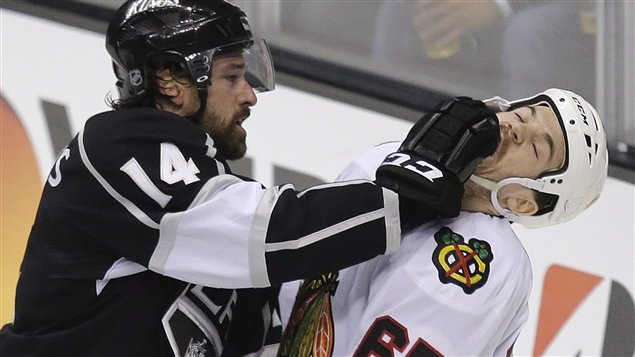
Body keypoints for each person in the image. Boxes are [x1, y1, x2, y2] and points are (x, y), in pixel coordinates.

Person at [0, 1, 501, 356]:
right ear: (172, 82)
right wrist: (405, 196)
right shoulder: (114, 148)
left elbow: (253, 322)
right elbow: (269, 236)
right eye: (232, 76)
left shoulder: (198, 181)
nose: (250, 95)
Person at [278, 88, 609, 356]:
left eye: (536, 147)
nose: (517, 128)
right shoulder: (387, 159)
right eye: (523, 115)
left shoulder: (487, 264)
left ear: (522, 201)